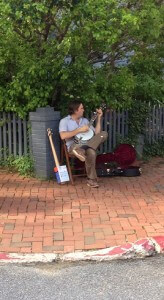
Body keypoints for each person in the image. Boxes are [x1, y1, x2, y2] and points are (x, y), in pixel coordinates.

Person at [59, 100, 108, 188]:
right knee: (91, 152)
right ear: (75, 110)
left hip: (85, 146)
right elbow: (62, 136)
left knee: (103, 134)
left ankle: (90, 180)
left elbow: (97, 134)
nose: (83, 110)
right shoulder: (65, 121)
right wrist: (79, 130)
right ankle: (92, 179)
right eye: (81, 108)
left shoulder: (85, 121)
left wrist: (99, 118)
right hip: (74, 147)